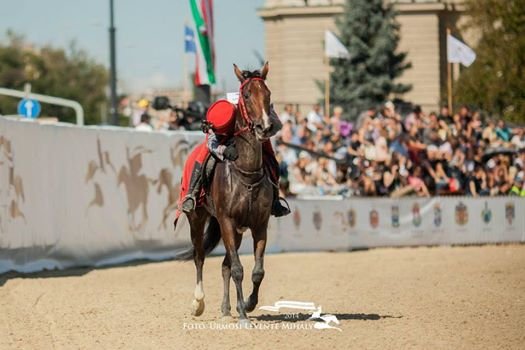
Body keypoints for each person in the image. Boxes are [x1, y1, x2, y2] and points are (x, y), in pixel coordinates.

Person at [177, 99, 290, 219]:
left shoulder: (255, 105)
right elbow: (212, 143)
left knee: (271, 158)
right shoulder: (219, 115)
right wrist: (224, 150)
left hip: (253, 135)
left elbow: (277, 126)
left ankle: (275, 199)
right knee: (203, 156)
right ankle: (191, 195)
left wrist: (266, 120)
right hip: (222, 140)